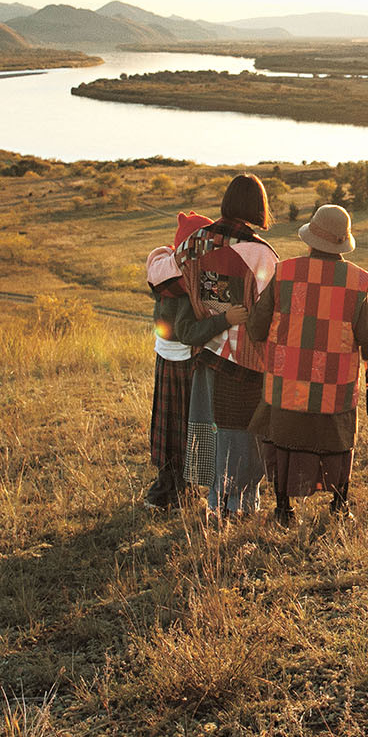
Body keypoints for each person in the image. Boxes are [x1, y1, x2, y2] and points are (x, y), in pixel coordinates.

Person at [246, 204, 368, 526]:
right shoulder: (358, 282)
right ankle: (339, 505)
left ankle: (284, 509)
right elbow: (366, 340)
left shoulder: (284, 273)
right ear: (343, 242)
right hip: (335, 387)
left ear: (310, 240)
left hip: (286, 383)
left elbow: (257, 328)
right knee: (339, 441)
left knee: (283, 440)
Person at [176, 175, 280, 520]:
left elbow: (177, 282)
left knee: (210, 432)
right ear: (258, 207)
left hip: (206, 354)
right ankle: (240, 508)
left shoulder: (193, 243)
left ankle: (215, 503)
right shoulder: (261, 254)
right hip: (247, 361)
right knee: (245, 437)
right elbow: (270, 309)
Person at [140, 210, 236, 511]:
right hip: (184, 360)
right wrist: (225, 319)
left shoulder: (166, 276)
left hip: (165, 356)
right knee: (185, 423)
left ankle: (170, 487)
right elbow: (188, 332)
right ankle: (175, 491)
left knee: (168, 421)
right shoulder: (187, 284)